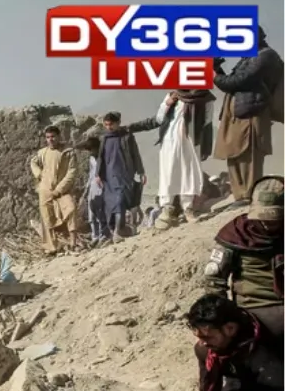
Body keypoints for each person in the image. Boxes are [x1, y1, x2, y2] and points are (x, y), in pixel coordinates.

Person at [204, 175, 284, 344]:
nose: (268, 223)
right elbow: (214, 279)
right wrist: (223, 318)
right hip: (252, 310)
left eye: (275, 218)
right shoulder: (237, 234)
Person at [213, 27, 283, 205]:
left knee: (249, 154)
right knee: (234, 153)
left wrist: (215, 74)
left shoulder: (265, 56)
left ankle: (249, 194)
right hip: (240, 111)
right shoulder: (250, 57)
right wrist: (218, 69)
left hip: (253, 111)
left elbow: (237, 82)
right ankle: (240, 195)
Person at [151, 90, 216, 229]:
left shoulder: (206, 98)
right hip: (170, 140)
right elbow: (159, 118)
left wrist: (204, 144)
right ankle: (167, 210)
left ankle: (188, 209)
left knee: (189, 173)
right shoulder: (172, 94)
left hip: (191, 140)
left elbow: (207, 121)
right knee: (169, 173)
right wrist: (167, 104)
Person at [28, 125, 81, 255]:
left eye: (53, 136)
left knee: (71, 209)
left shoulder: (68, 152)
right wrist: (39, 174)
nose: (50, 139)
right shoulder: (42, 153)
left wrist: (59, 189)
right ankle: (52, 247)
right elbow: (33, 163)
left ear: (58, 137)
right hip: (45, 189)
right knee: (47, 217)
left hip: (62, 190)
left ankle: (73, 243)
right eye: (48, 137)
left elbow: (71, 172)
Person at [95, 112, 147, 241]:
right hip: (109, 177)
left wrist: (141, 172)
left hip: (124, 175)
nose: (109, 127)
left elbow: (135, 154)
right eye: (106, 125)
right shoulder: (104, 138)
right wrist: (97, 174)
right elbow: (100, 157)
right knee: (112, 204)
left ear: (118, 123)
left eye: (111, 124)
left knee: (120, 201)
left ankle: (119, 231)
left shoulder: (126, 137)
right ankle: (116, 231)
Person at [76, 136, 108, 246]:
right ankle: (95, 235)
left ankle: (103, 235)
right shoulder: (91, 159)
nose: (90, 152)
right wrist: (86, 190)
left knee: (100, 214)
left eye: (91, 150)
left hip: (101, 188)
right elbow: (91, 175)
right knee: (92, 215)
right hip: (92, 188)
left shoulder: (104, 158)